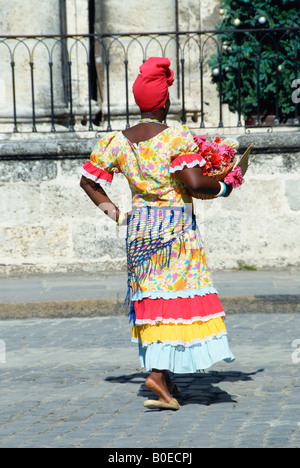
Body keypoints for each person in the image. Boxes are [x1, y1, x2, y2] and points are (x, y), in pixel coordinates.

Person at [80, 57, 235, 411]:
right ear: (164, 102)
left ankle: (163, 376)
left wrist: (117, 215)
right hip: (174, 233)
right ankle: (157, 375)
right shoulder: (175, 137)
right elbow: (195, 184)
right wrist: (226, 186)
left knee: (154, 303)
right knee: (175, 302)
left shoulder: (117, 142)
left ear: (139, 102)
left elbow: (88, 181)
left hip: (140, 230)